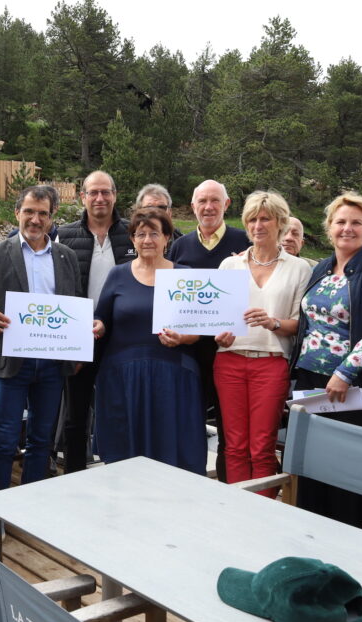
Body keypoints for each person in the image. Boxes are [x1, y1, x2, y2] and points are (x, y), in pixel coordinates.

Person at [290, 193, 362, 531]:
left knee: (347, 469)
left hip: (348, 388)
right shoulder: (319, 268)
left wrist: (345, 372)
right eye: (340, 222)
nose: (347, 228)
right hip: (309, 382)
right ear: (329, 228)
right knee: (312, 464)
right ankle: (311, 536)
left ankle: (353, 539)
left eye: (356, 222)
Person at [91, 207, 207, 473]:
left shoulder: (184, 276)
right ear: (132, 239)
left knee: (173, 453)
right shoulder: (117, 275)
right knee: (124, 458)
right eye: (140, 234)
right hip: (123, 379)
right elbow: (102, 319)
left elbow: (198, 331)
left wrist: (182, 337)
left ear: (167, 237)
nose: (147, 240)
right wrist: (97, 326)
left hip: (173, 377)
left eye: (154, 233)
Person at [0, 186, 82, 491]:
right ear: (17, 213)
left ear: (52, 218)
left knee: (42, 441)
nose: (35, 219)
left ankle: (31, 506)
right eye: (29, 211)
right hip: (13, 362)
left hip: (52, 364)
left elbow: (74, 305)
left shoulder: (66, 257)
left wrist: (77, 350)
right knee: (5, 439)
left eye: (43, 213)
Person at [214, 191, 311, 495]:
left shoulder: (299, 268)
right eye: (252, 219)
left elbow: (302, 325)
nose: (258, 225)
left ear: (280, 222)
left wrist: (273, 322)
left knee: (262, 446)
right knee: (234, 445)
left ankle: (263, 513)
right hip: (229, 360)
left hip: (271, 363)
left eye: (265, 218)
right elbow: (216, 322)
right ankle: (237, 512)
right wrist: (220, 334)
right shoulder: (229, 266)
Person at [168, 180, 251, 481]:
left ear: (227, 205)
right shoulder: (180, 246)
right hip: (189, 352)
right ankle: (188, 479)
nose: (208, 207)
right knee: (189, 420)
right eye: (202, 201)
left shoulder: (244, 242)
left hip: (231, 350)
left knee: (230, 426)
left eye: (215, 200)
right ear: (192, 207)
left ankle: (228, 484)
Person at [54, 171, 135, 473]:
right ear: (82, 197)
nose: (100, 198)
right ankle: (74, 476)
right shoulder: (65, 233)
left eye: (106, 192)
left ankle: (121, 474)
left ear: (115, 195)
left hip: (122, 339)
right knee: (75, 416)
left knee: (121, 413)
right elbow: (59, 288)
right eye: (93, 193)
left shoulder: (133, 232)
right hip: (80, 337)